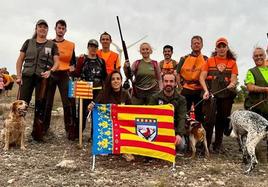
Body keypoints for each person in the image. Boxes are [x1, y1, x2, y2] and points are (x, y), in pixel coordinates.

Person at [16, 19, 59, 141]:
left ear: (47, 30)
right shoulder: (28, 42)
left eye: (45, 27)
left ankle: (37, 134)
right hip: (27, 77)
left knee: (41, 106)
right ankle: (18, 134)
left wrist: (51, 71)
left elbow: (57, 62)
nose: (42, 29)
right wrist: (18, 76)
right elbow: (20, 60)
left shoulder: (52, 45)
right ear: (36, 28)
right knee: (22, 105)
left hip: (42, 78)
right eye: (40, 26)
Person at [199, 37, 238, 153]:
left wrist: (232, 83)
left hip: (226, 95)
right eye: (219, 46)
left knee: (222, 120)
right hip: (211, 95)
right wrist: (206, 90)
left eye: (223, 46)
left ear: (227, 48)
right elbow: (202, 77)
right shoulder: (209, 61)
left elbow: (234, 79)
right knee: (209, 121)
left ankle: (218, 145)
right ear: (216, 48)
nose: (221, 48)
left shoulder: (232, 62)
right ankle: (206, 146)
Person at [88, 70, 134, 161]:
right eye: (113, 79)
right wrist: (90, 107)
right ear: (110, 81)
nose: (116, 81)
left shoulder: (125, 94)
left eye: (118, 79)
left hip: (122, 126)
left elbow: (131, 111)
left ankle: (125, 149)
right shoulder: (103, 93)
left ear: (121, 81)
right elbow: (94, 106)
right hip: (108, 126)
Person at [43, 19, 77, 140]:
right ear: (55, 29)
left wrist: (72, 71)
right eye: (59, 28)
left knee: (67, 102)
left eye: (63, 28)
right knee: (47, 102)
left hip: (64, 75)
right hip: (51, 74)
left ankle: (69, 130)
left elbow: (73, 62)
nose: (61, 30)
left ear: (65, 30)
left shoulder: (71, 44)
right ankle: (44, 129)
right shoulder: (48, 43)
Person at [74, 39, 107, 133]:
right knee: (81, 112)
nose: (93, 48)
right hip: (84, 89)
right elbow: (77, 73)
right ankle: (78, 133)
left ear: (97, 48)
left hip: (97, 90)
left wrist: (104, 90)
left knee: (96, 113)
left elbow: (105, 77)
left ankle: (95, 135)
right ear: (88, 47)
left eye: (95, 47)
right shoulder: (82, 59)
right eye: (91, 46)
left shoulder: (101, 61)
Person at [148, 73, 187, 152]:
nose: (168, 83)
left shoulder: (181, 99)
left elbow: (182, 118)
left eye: (171, 81)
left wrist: (179, 134)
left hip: (174, 130)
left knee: (181, 146)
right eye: (166, 81)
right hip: (158, 129)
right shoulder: (154, 97)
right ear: (162, 83)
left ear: (175, 83)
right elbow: (150, 116)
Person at [177, 35, 207, 123]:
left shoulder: (206, 59)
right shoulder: (184, 58)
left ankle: (199, 134)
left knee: (200, 114)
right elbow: (177, 73)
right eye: (194, 43)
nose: (196, 45)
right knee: (184, 113)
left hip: (200, 89)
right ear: (191, 45)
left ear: (202, 45)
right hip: (186, 88)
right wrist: (180, 86)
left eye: (198, 43)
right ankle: (184, 133)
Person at [244, 47, 268, 119]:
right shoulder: (251, 71)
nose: (258, 57)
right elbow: (250, 87)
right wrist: (266, 89)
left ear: (265, 56)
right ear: (253, 58)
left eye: (261, 55)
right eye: (256, 56)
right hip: (257, 111)